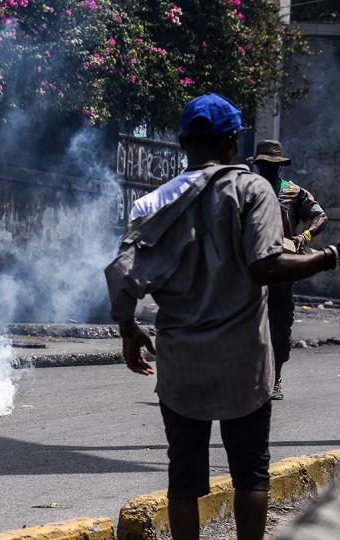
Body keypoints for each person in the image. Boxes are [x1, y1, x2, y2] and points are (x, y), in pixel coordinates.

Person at [106, 93, 340, 540]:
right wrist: (329, 256)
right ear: (234, 143)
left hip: (180, 363)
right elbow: (266, 266)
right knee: (251, 473)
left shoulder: (153, 202)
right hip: (244, 364)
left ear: (182, 142)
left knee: (184, 476)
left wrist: (129, 330)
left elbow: (123, 279)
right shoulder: (254, 191)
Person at [248, 139, 328, 400]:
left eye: (272, 166)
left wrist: (304, 237)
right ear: (257, 165)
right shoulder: (245, 190)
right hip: (250, 268)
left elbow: (320, 216)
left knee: (280, 324)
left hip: (283, 266)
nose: (266, 170)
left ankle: (276, 378)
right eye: (262, 165)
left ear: (280, 167)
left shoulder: (294, 192)